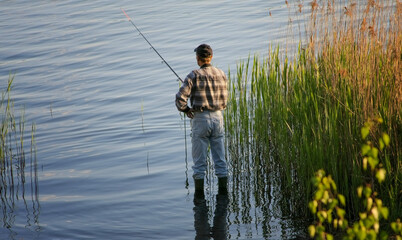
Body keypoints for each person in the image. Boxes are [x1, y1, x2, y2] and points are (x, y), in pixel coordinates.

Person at [175, 44, 228, 197]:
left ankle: (199, 202)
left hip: (200, 119)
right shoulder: (221, 74)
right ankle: (223, 197)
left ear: (198, 58)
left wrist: (186, 110)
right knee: (220, 161)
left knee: (199, 165)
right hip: (218, 118)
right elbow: (225, 99)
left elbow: (180, 98)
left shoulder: (193, 75)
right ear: (211, 57)